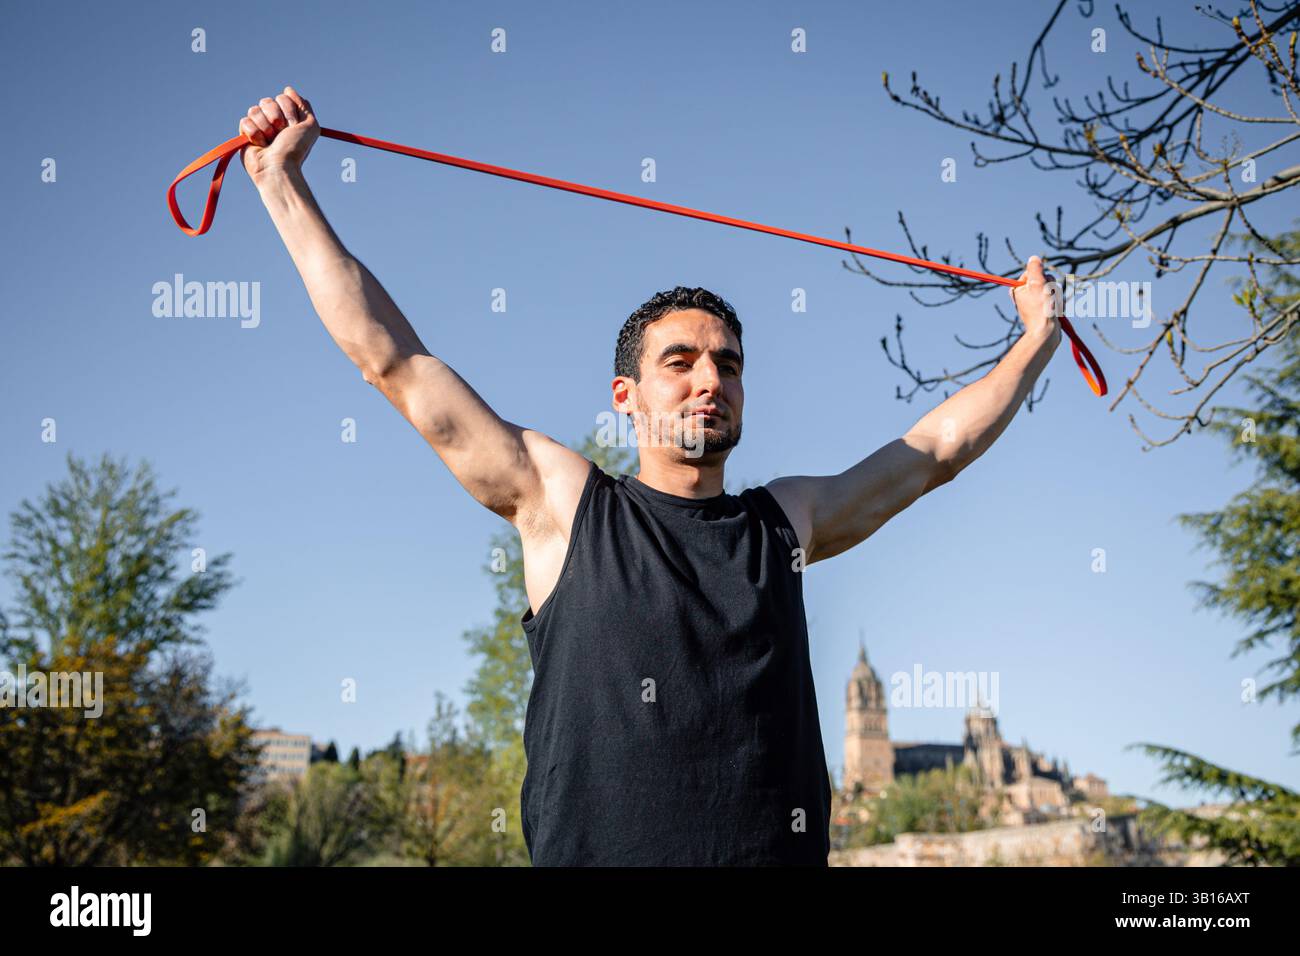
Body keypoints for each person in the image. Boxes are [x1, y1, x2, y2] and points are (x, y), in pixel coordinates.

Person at [238, 87, 1065, 866]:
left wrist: (1034, 342)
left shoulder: (787, 521)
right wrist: (282, 186)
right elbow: (396, 361)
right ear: (625, 397)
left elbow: (934, 452)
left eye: (729, 365)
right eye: (682, 361)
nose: (711, 379)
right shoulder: (563, 503)